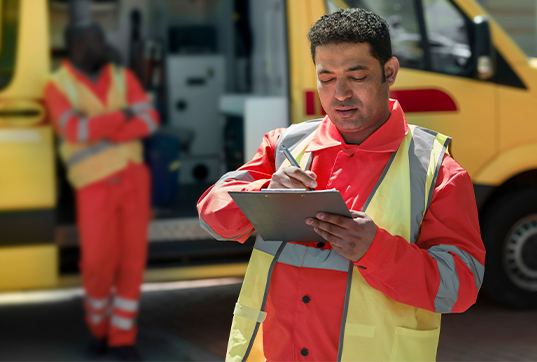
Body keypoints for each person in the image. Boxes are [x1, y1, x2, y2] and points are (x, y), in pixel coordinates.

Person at [198, 8, 485, 362]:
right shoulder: (284, 146)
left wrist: (376, 250)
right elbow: (211, 215)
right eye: (327, 78)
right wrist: (266, 192)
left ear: (389, 72)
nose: (340, 93)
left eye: (357, 76)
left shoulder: (438, 171)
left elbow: (461, 288)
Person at [44, 8, 159, 362]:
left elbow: (149, 120)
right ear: (78, 46)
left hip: (133, 179)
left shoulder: (122, 77)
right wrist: (123, 116)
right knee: (96, 263)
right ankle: (99, 330)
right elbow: (72, 131)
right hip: (94, 185)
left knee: (132, 261)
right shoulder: (57, 85)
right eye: (96, 39)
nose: (104, 44)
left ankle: (122, 337)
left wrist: (101, 126)